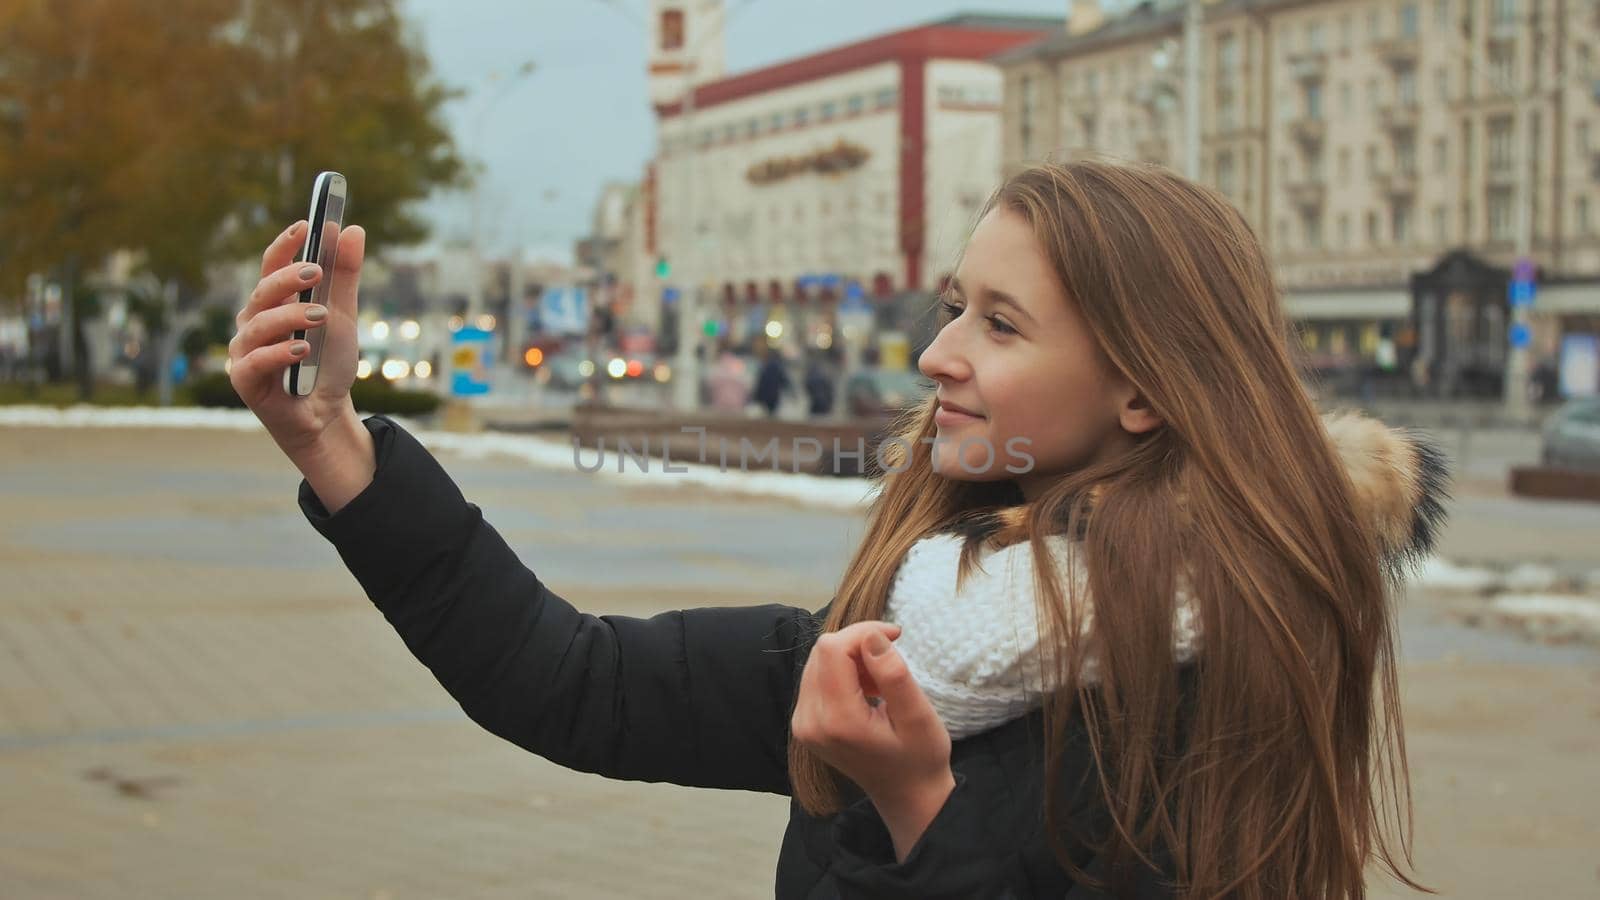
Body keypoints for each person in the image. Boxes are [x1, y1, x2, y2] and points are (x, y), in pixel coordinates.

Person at [229, 160, 1448, 898]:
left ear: (1141, 388)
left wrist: (919, 809)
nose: (936, 354)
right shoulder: (928, 624)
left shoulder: (1222, 683)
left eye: (1001, 326)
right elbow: (572, 681)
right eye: (952, 306)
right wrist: (334, 439)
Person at [753, 347, 792, 418]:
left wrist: (757, 396)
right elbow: (785, 381)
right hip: (774, 396)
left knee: (766, 415)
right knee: (771, 415)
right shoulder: (778, 367)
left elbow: (761, 383)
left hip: (766, 396)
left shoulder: (766, 367)